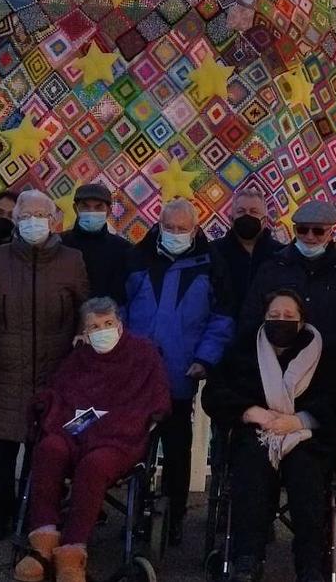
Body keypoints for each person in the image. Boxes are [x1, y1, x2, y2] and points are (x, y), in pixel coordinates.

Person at [12, 298, 171, 582]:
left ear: (120, 325)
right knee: (49, 447)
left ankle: (73, 551)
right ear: (85, 333)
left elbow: (155, 403)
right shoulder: (80, 357)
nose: (103, 330)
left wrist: (114, 421)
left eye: (108, 324)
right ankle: (42, 544)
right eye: (94, 327)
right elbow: (61, 395)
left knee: (94, 464)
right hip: (79, 428)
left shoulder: (144, 354)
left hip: (119, 435)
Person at [202, 289, 336, 582]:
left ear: (302, 321)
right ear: (263, 317)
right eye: (274, 316)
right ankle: (247, 557)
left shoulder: (324, 352)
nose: (281, 321)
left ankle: (310, 563)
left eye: (288, 316)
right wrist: (249, 411)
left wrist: (298, 420)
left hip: (306, 436)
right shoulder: (245, 348)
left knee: (306, 475)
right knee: (251, 470)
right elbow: (215, 393)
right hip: (256, 434)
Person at [0, 190, 89, 541]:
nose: (34, 221)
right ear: (16, 221)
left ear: (53, 221)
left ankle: (33, 515)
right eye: (26, 216)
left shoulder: (72, 259)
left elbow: (86, 306)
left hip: (55, 371)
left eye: (41, 215)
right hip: (7, 368)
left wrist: (82, 337)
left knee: (44, 454)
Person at [123, 197, 234, 545]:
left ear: (195, 229)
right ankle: (133, 508)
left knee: (176, 447)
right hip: (136, 371)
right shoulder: (137, 257)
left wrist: (206, 357)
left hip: (180, 370)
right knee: (133, 443)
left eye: (181, 229)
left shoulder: (212, 263)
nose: (174, 234)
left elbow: (223, 317)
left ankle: (174, 515)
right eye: (168, 227)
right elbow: (118, 308)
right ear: (158, 224)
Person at [240, 200, 336, 349]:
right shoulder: (272, 268)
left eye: (318, 231)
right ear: (295, 230)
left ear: (331, 233)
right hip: (279, 363)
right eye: (303, 230)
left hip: (333, 365)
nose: (310, 237)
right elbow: (250, 319)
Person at [213, 189, 285, 310]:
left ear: (265, 221)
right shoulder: (213, 252)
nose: (247, 216)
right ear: (231, 219)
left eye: (254, 211)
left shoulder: (281, 254)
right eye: (241, 211)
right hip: (223, 326)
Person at [61, 183, 132, 302]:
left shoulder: (123, 249)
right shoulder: (59, 244)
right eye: (85, 206)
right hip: (66, 318)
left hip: (105, 318)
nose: (91, 211)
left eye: (98, 207)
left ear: (108, 211)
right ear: (75, 209)